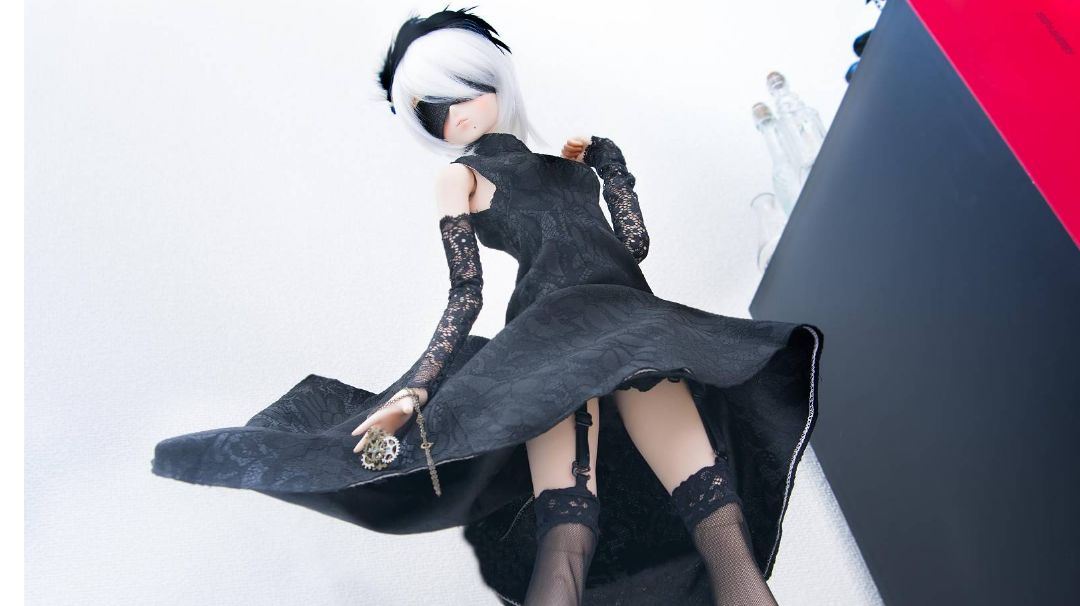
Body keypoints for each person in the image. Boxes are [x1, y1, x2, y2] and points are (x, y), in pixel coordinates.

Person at [152, 8, 824, 605]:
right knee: (567, 532)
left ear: (493, 76)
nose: (456, 115)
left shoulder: (571, 169)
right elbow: (466, 292)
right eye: (433, 110)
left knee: (717, 514)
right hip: (550, 343)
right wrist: (415, 391)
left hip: (632, 323)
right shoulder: (463, 177)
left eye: (462, 89)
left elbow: (631, 247)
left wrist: (611, 166)